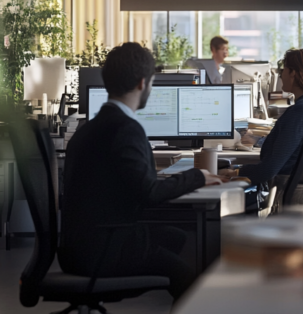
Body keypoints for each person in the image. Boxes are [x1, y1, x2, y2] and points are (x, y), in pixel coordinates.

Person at [60, 43, 223, 301]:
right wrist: (198, 176)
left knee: (176, 237)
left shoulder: (87, 129)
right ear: (142, 83)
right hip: (105, 251)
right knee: (188, 280)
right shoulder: (126, 128)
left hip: (77, 249)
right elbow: (149, 192)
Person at [223, 48, 303, 187]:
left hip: (282, 190)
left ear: (293, 73)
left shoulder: (300, 112)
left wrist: (234, 172)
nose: (280, 76)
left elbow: (268, 170)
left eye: (283, 70)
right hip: (302, 190)